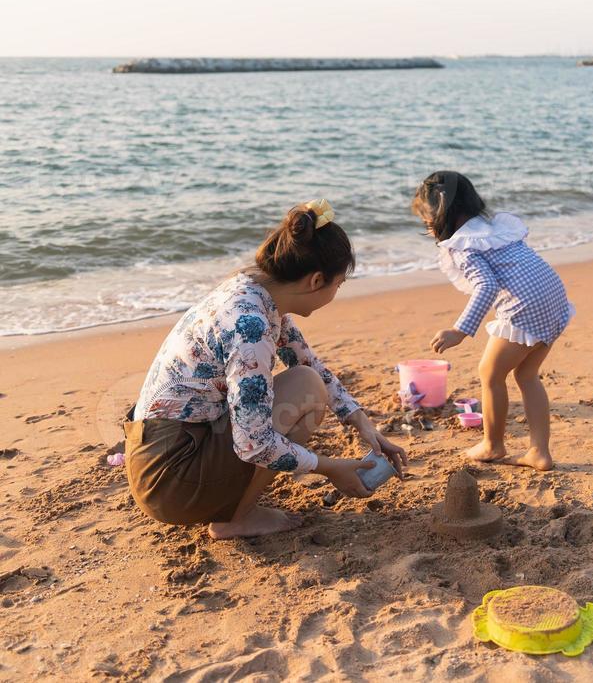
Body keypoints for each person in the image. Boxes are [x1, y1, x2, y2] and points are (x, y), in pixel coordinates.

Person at [124, 199, 407, 539]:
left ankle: (235, 505)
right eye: (338, 284)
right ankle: (235, 519)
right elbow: (253, 444)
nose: (336, 292)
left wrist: (364, 424)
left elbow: (306, 360)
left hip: (161, 452)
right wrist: (330, 468)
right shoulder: (251, 326)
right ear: (317, 280)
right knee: (306, 388)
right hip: (171, 480)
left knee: (308, 378)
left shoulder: (253, 289)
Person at [412, 172, 574, 471]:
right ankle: (539, 451)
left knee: (489, 373)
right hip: (553, 299)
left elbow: (485, 286)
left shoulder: (463, 245)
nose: (427, 227)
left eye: (426, 220)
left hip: (525, 307)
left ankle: (493, 445)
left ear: (440, 216)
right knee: (527, 375)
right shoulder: (491, 228)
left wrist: (460, 330)